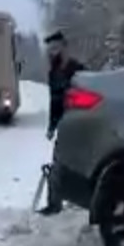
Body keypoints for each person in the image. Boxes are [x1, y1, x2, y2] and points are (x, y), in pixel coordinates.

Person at [39, 30, 85, 215]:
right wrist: (52, 125)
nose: (53, 52)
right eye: (50, 49)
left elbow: (87, 96)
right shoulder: (53, 72)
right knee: (59, 163)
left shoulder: (78, 70)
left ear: (65, 47)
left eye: (56, 48)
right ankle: (54, 203)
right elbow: (54, 101)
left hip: (81, 122)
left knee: (81, 164)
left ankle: (85, 204)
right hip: (65, 125)